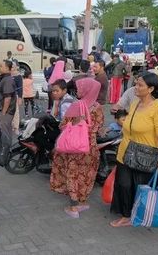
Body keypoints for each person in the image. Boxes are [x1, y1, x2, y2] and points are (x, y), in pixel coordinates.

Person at [110, 73, 158, 227]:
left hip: (144, 155)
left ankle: (138, 214)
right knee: (123, 184)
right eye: (136, 84)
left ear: (150, 89)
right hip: (125, 151)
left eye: (140, 85)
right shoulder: (135, 103)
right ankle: (126, 215)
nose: (136, 87)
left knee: (138, 187)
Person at [50, 78, 104, 218]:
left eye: (81, 87)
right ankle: (80, 201)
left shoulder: (76, 105)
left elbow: (62, 125)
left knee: (72, 174)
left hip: (74, 147)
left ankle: (74, 207)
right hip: (89, 147)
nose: (78, 90)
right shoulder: (97, 107)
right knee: (85, 174)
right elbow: (98, 127)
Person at [0, 60, 17, 159]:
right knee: (6, 131)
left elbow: (7, 98)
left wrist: (3, 113)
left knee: (5, 132)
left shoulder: (7, 80)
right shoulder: (5, 79)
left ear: (7, 68)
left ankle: (6, 153)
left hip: (7, 111)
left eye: (1, 66)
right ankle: (8, 151)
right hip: (7, 111)